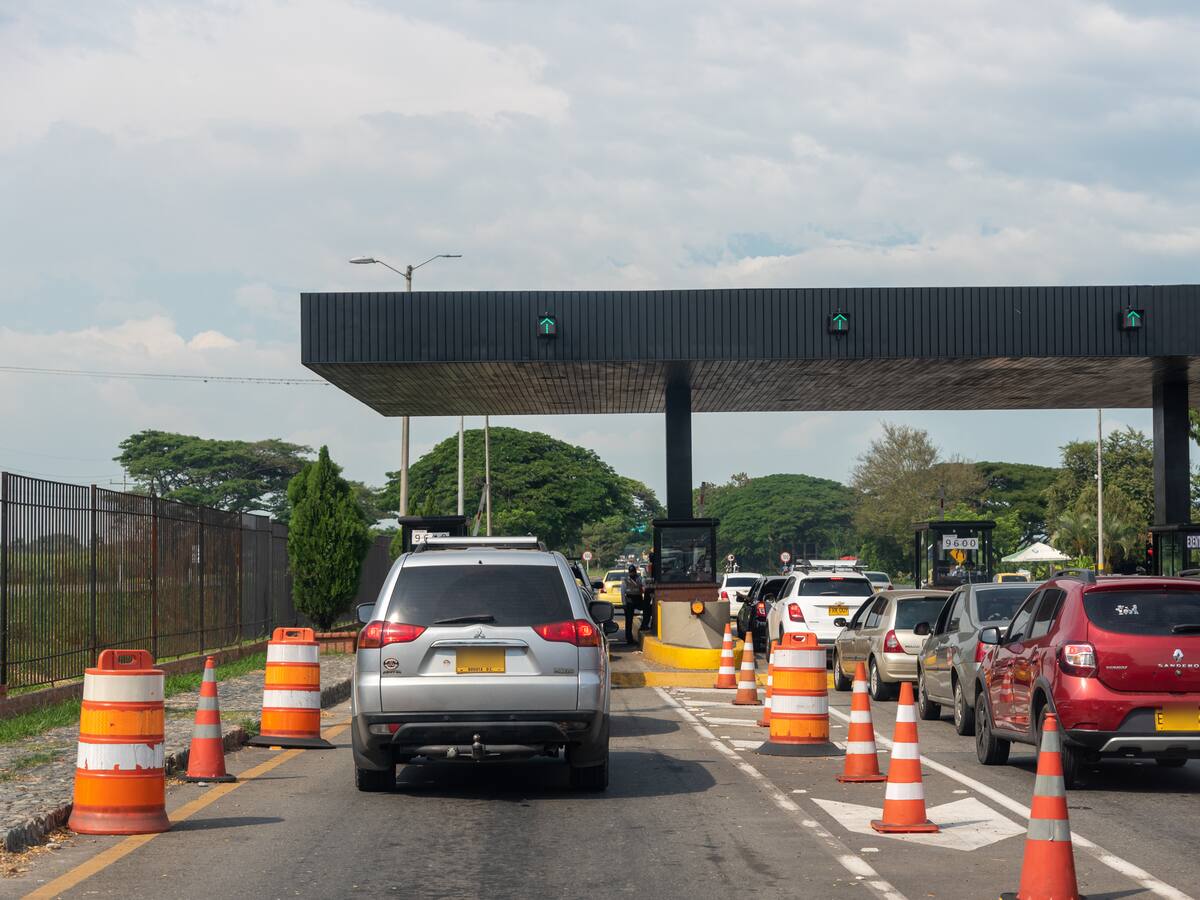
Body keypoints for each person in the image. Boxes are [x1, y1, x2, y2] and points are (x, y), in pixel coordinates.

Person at [621, 564, 644, 644]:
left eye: (633, 572)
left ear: (635, 572)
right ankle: (629, 638)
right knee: (629, 620)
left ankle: (644, 626)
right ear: (629, 572)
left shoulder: (639, 578)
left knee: (647, 610)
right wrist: (624, 603)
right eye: (631, 572)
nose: (632, 574)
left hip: (638, 600)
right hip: (629, 601)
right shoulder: (625, 580)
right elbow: (622, 592)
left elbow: (642, 587)